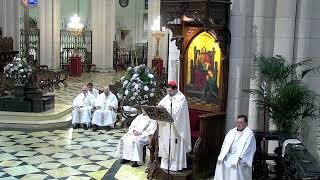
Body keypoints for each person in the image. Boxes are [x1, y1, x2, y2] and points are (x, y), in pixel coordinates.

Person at [157, 81, 191, 171]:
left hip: (177, 128)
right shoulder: (168, 96)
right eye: (168, 91)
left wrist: (165, 109)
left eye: (170, 91)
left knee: (174, 145)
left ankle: (175, 166)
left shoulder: (181, 98)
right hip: (167, 125)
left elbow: (176, 112)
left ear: (175, 89)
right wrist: (159, 107)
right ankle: (165, 164)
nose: (169, 93)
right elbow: (161, 104)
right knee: (166, 143)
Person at [214, 115, 256, 180]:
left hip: (240, 157)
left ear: (246, 123)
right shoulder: (231, 132)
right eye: (237, 122)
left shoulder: (249, 134)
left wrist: (240, 159)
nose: (238, 124)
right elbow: (224, 145)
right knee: (220, 162)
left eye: (241, 123)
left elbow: (248, 149)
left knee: (236, 165)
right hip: (229, 155)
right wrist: (223, 155)